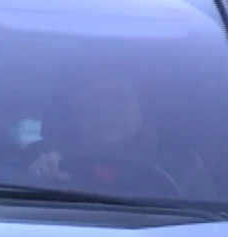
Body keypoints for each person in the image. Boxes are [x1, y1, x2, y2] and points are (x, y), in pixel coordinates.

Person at [25, 70, 215, 196]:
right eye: (92, 99)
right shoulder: (39, 157)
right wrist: (36, 179)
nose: (107, 109)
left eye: (119, 96)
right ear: (72, 109)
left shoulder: (179, 163)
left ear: (142, 106)